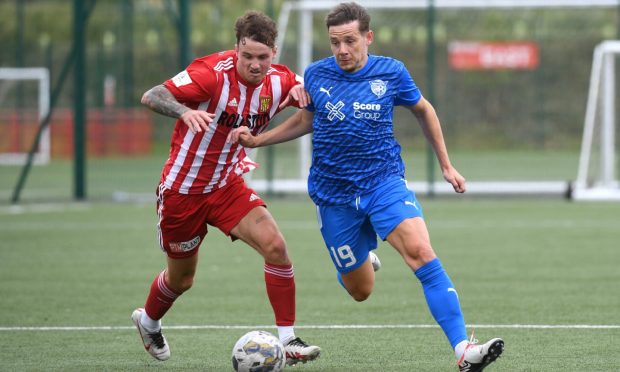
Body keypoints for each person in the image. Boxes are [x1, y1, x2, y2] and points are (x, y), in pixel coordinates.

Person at [227, 2, 504, 371]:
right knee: (360, 290)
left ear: (367, 38)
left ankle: (463, 351)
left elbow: (424, 109)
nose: (342, 50)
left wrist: (446, 165)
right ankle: (363, 259)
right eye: (335, 43)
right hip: (333, 196)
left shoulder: (391, 73)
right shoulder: (316, 75)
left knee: (421, 252)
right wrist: (258, 141)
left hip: (383, 183)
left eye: (350, 41)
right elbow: (305, 121)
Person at [131, 10, 320, 365]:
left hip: (227, 185)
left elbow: (315, 99)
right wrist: (183, 112)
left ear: (274, 53)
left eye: (262, 57)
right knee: (181, 279)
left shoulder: (280, 81)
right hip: (182, 191)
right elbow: (151, 95)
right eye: (247, 56)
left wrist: (305, 90)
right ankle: (149, 321)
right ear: (236, 49)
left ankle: (289, 339)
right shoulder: (209, 74)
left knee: (276, 246)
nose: (254, 64)